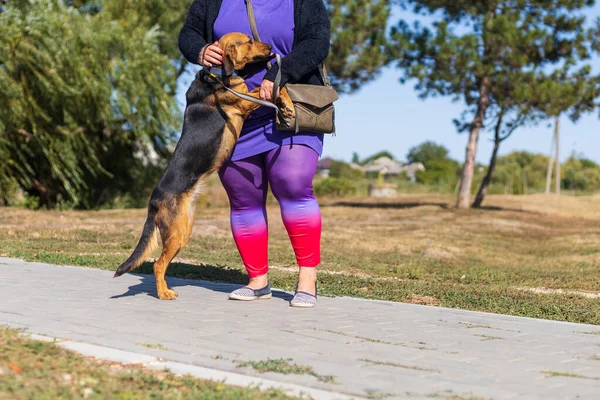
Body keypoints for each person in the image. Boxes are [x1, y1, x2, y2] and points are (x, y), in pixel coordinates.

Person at [178, 0, 331, 308]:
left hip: (288, 104)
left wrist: (281, 72)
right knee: (242, 195)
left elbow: (317, 42)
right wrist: (199, 50)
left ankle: (307, 279)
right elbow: (189, 32)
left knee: (292, 183)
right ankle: (258, 280)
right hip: (234, 108)